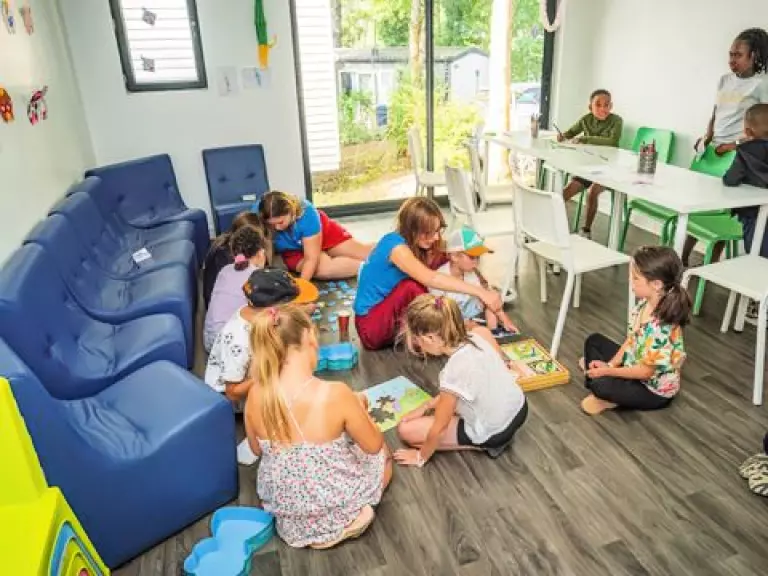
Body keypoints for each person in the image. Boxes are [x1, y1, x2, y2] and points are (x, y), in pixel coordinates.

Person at [244, 305, 392, 549]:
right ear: (309, 337)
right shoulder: (336, 393)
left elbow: (256, 450)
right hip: (334, 502)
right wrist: (361, 410)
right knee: (384, 456)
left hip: (288, 516)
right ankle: (352, 517)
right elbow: (374, 445)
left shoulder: (255, 393)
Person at [393, 294, 528, 465]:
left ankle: (483, 444)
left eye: (417, 340)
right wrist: (426, 406)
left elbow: (440, 428)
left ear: (430, 338)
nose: (419, 346)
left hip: (497, 431)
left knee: (406, 431)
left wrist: (420, 457)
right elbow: (460, 388)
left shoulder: (453, 372)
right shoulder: (478, 336)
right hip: (520, 408)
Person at [354, 197, 503, 350]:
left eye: (438, 231)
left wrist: (487, 292)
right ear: (412, 230)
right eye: (429, 233)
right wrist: (479, 292)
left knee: (444, 256)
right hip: (371, 328)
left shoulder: (422, 244)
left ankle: (447, 326)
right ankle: (453, 325)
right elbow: (431, 278)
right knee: (412, 286)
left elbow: (457, 251)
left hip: (394, 321)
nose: (436, 237)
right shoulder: (395, 247)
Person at [205, 268, 318, 465]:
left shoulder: (255, 311)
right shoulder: (239, 340)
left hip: (253, 375)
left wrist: (303, 310)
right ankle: (260, 437)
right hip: (231, 398)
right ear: (273, 309)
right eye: (290, 304)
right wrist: (269, 371)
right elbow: (232, 392)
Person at [683, 27, 768, 267]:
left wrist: (735, 144)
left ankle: (710, 266)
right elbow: (716, 112)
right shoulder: (724, 80)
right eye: (730, 54)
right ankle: (683, 259)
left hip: (736, 155)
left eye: (738, 55)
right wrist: (707, 135)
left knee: (721, 211)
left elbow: (764, 128)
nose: (731, 60)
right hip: (712, 152)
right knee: (697, 207)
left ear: (754, 56)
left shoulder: (761, 84)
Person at [579, 246, 690, 415]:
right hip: (635, 364)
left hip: (651, 390)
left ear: (656, 284)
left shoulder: (661, 329)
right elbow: (631, 340)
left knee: (600, 385)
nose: (630, 280)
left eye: (636, 278)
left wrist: (608, 371)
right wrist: (610, 364)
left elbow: (645, 373)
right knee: (594, 341)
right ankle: (602, 378)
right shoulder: (644, 304)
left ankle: (604, 390)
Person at [255, 191, 371, 281]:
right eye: (271, 225)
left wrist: (302, 286)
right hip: (292, 251)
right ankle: (369, 267)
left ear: (291, 212)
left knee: (365, 253)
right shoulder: (257, 215)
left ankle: (379, 256)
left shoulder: (308, 213)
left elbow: (311, 258)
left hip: (323, 235)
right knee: (324, 270)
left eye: (280, 222)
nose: (277, 228)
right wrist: (302, 286)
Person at [557, 89, 623, 239]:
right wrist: (563, 136)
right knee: (567, 190)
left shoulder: (617, 121)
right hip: (589, 167)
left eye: (606, 105)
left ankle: (586, 230)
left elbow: (612, 141)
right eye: (598, 105)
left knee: (592, 191)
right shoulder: (586, 119)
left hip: (608, 170)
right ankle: (551, 222)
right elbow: (570, 132)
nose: (603, 108)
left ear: (611, 106)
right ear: (590, 107)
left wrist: (585, 139)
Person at [429, 226, 517, 334]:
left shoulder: (471, 273)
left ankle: (494, 331)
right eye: (472, 257)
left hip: (469, 310)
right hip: (449, 317)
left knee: (490, 296)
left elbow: (485, 296)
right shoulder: (440, 278)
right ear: (454, 256)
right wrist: (464, 323)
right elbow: (438, 314)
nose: (476, 262)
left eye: (478, 257)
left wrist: (504, 318)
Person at [203, 226, 267, 352]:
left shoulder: (225, 270)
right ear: (261, 253)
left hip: (209, 340)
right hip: (228, 345)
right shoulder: (257, 277)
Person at [202, 212, 265, 308]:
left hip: (217, 302)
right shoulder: (227, 256)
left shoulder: (226, 242)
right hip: (223, 305)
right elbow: (252, 288)